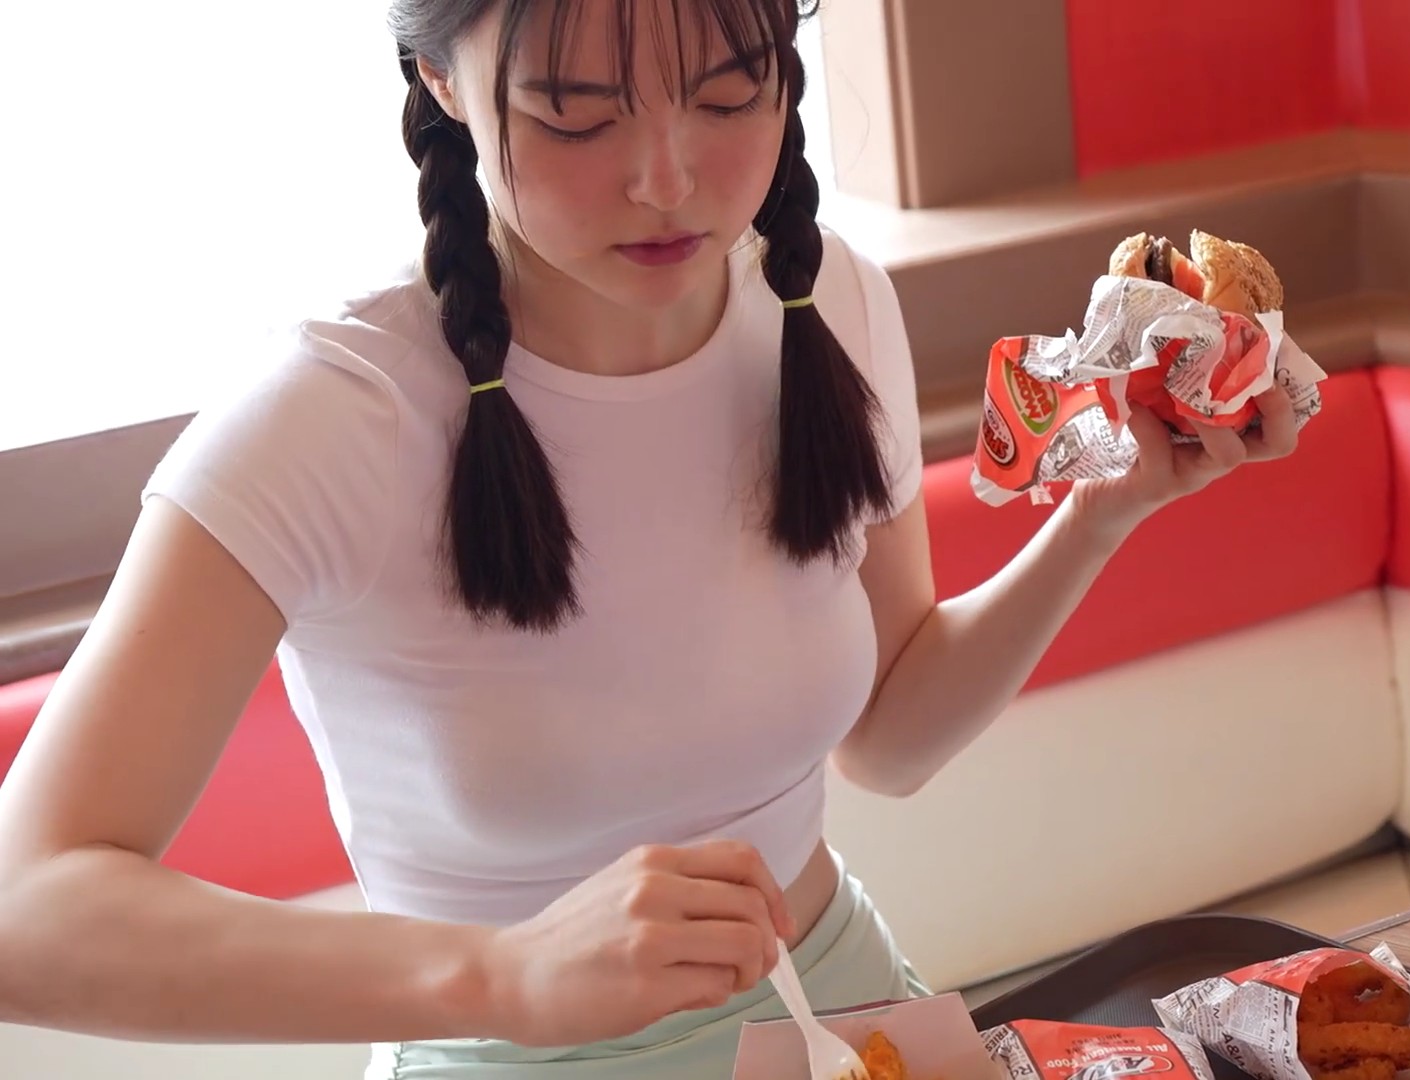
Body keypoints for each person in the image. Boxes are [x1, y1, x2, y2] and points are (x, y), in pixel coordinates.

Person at [0, 0, 1299, 1076]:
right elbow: (25, 908)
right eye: (579, 112)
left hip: (842, 1017)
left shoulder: (832, 300)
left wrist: (1101, 512)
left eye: (730, 93)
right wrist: (500, 973)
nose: (668, 178)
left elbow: (891, 739)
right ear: (440, 77)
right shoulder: (336, 411)